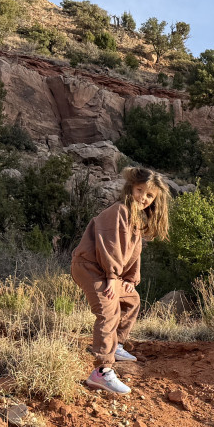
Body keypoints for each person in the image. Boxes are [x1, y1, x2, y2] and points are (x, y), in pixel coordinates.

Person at [71, 166, 171, 394]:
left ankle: (115, 345)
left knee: (131, 300)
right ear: (130, 188)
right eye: (139, 190)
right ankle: (102, 372)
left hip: (107, 271)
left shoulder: (137, 218)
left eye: (149, 195)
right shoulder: (119, 210)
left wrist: (129, 279)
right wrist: (113, 277)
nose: (143, 198)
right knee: (108, 310)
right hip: (89, 267)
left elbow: (135, 251)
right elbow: (110, 246)